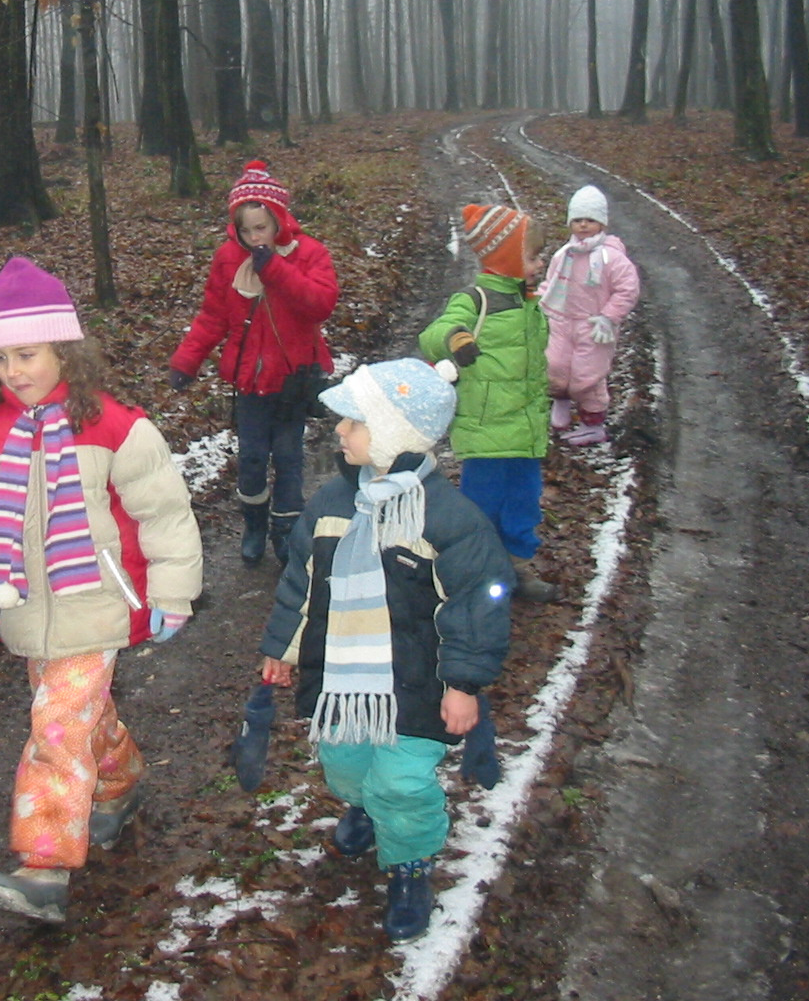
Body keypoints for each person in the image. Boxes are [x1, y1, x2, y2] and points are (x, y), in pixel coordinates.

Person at [0, 257, 203, 924]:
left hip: (97, 600)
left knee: (56, 725)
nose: (12, 372)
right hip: (28, 604)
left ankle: (45, 864)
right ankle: (117, 783)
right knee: (82, 717)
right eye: (0, 360)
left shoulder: (115, 425)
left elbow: (164, 512)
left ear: (65, 349)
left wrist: (174, 592)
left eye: (26, 355)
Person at [257, 358, 512, 943]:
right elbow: (302, 582)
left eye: (354, 421)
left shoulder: (448, 521)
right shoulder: (330, 505)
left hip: (417, 684)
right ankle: (364, 806)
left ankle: (410, 863)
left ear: (394, 434)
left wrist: (464, 683)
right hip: (345, 680)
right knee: (345, 767)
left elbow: (479, 602)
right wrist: (282, 648)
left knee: (400, 783)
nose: (340, 431)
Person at [168, 161, 338, 566]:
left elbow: (321, 303)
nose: (253, 237)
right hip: (248, 381)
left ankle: (286, 530)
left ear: (278, 220)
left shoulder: (308, 253)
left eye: (260, 228)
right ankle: (255, 524)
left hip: (293, 380)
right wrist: (187, 361)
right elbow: (213, 315)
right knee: (252, 459)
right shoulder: (229, 259)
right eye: (245, 229)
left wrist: (276, 270)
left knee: (289, 458)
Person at [419, 203, 556, 603]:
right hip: (486, 431)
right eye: (532, 256)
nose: (540, 262)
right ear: (506, 259)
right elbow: (434, 332)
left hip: (526, 430)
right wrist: (455, 338)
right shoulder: (474, 300)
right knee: (482, 506)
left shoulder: (528, 302)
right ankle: (474, 568)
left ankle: (517, 564)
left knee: (524, 503)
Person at [539, 185, 641, 447]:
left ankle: (592, 424)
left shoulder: (611, 258)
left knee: (588, 377)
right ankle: (560, 402)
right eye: (578, 220)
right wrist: (537, 304)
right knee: (554, 365)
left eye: (590, 220)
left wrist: (609, 316)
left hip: (594, 326)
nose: (583, 225)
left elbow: (627, 289)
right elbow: (551, 285)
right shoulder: (564, 255)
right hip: (562, 321)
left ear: (601, 222)